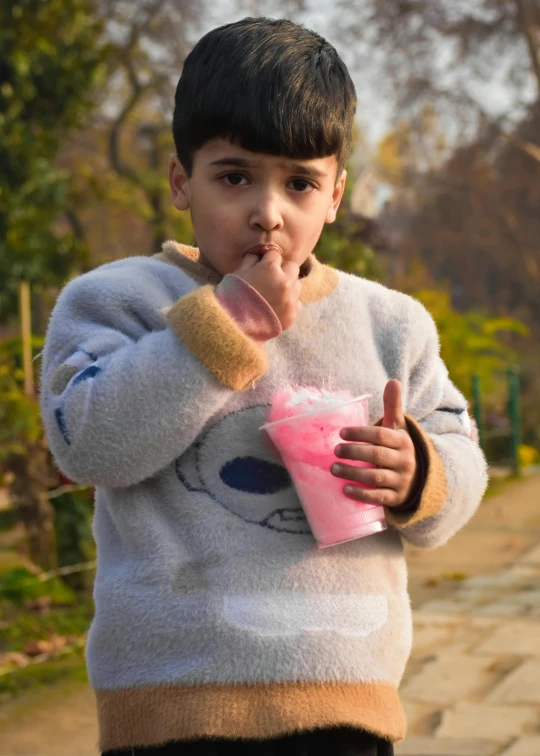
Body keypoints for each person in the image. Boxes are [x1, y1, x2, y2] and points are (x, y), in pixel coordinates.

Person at [40, 16, 488, 756]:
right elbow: (88, 443)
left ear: (336, 196)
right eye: (235, 176)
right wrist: (225, 329)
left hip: (346, 701)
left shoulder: (389, 324)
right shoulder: (116, 300)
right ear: (183, 181)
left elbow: (460, 451)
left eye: (300, 182)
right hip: (173, 706)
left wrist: (420, 476)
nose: (268, 212)